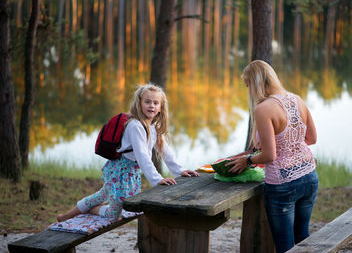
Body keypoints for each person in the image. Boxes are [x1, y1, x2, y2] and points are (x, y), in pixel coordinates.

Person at [57, 83, 199, 222]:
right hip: (120, 170)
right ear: (139, 103)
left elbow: (165, 151)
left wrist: (180, 171)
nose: (152, 105)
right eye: (147, 102)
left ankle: (67, 215)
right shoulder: (135, 126)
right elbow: (142, 155)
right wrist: (157, 179)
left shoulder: (153, 127)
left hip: (130, 171)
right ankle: (88, 211)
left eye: (156, 103)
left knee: (103, 195)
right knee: (114, 215)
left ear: (161, 108)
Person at [227, 60, 318, 253]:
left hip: (283, 184)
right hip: (310, 176)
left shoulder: (263, 109)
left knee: (285, 246)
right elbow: (311, 138)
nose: (248, 91)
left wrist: (248, 160)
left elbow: (269, 155)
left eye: (248, 85)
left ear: (256, 83)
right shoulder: (297, 99)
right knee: (303, 238)